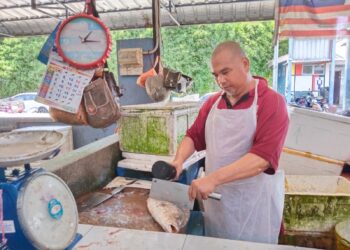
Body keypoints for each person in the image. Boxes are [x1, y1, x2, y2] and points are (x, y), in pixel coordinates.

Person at [170, 41, 289, 244]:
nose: (221, 81)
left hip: (254, 206)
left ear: (245, 64)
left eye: (225, 72)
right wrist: (178, 160)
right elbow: (193, 136)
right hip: (218, 204)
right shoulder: (212, 104)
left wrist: (213, 179)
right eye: (216, 75)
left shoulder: (272, 102)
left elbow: (262, 159)